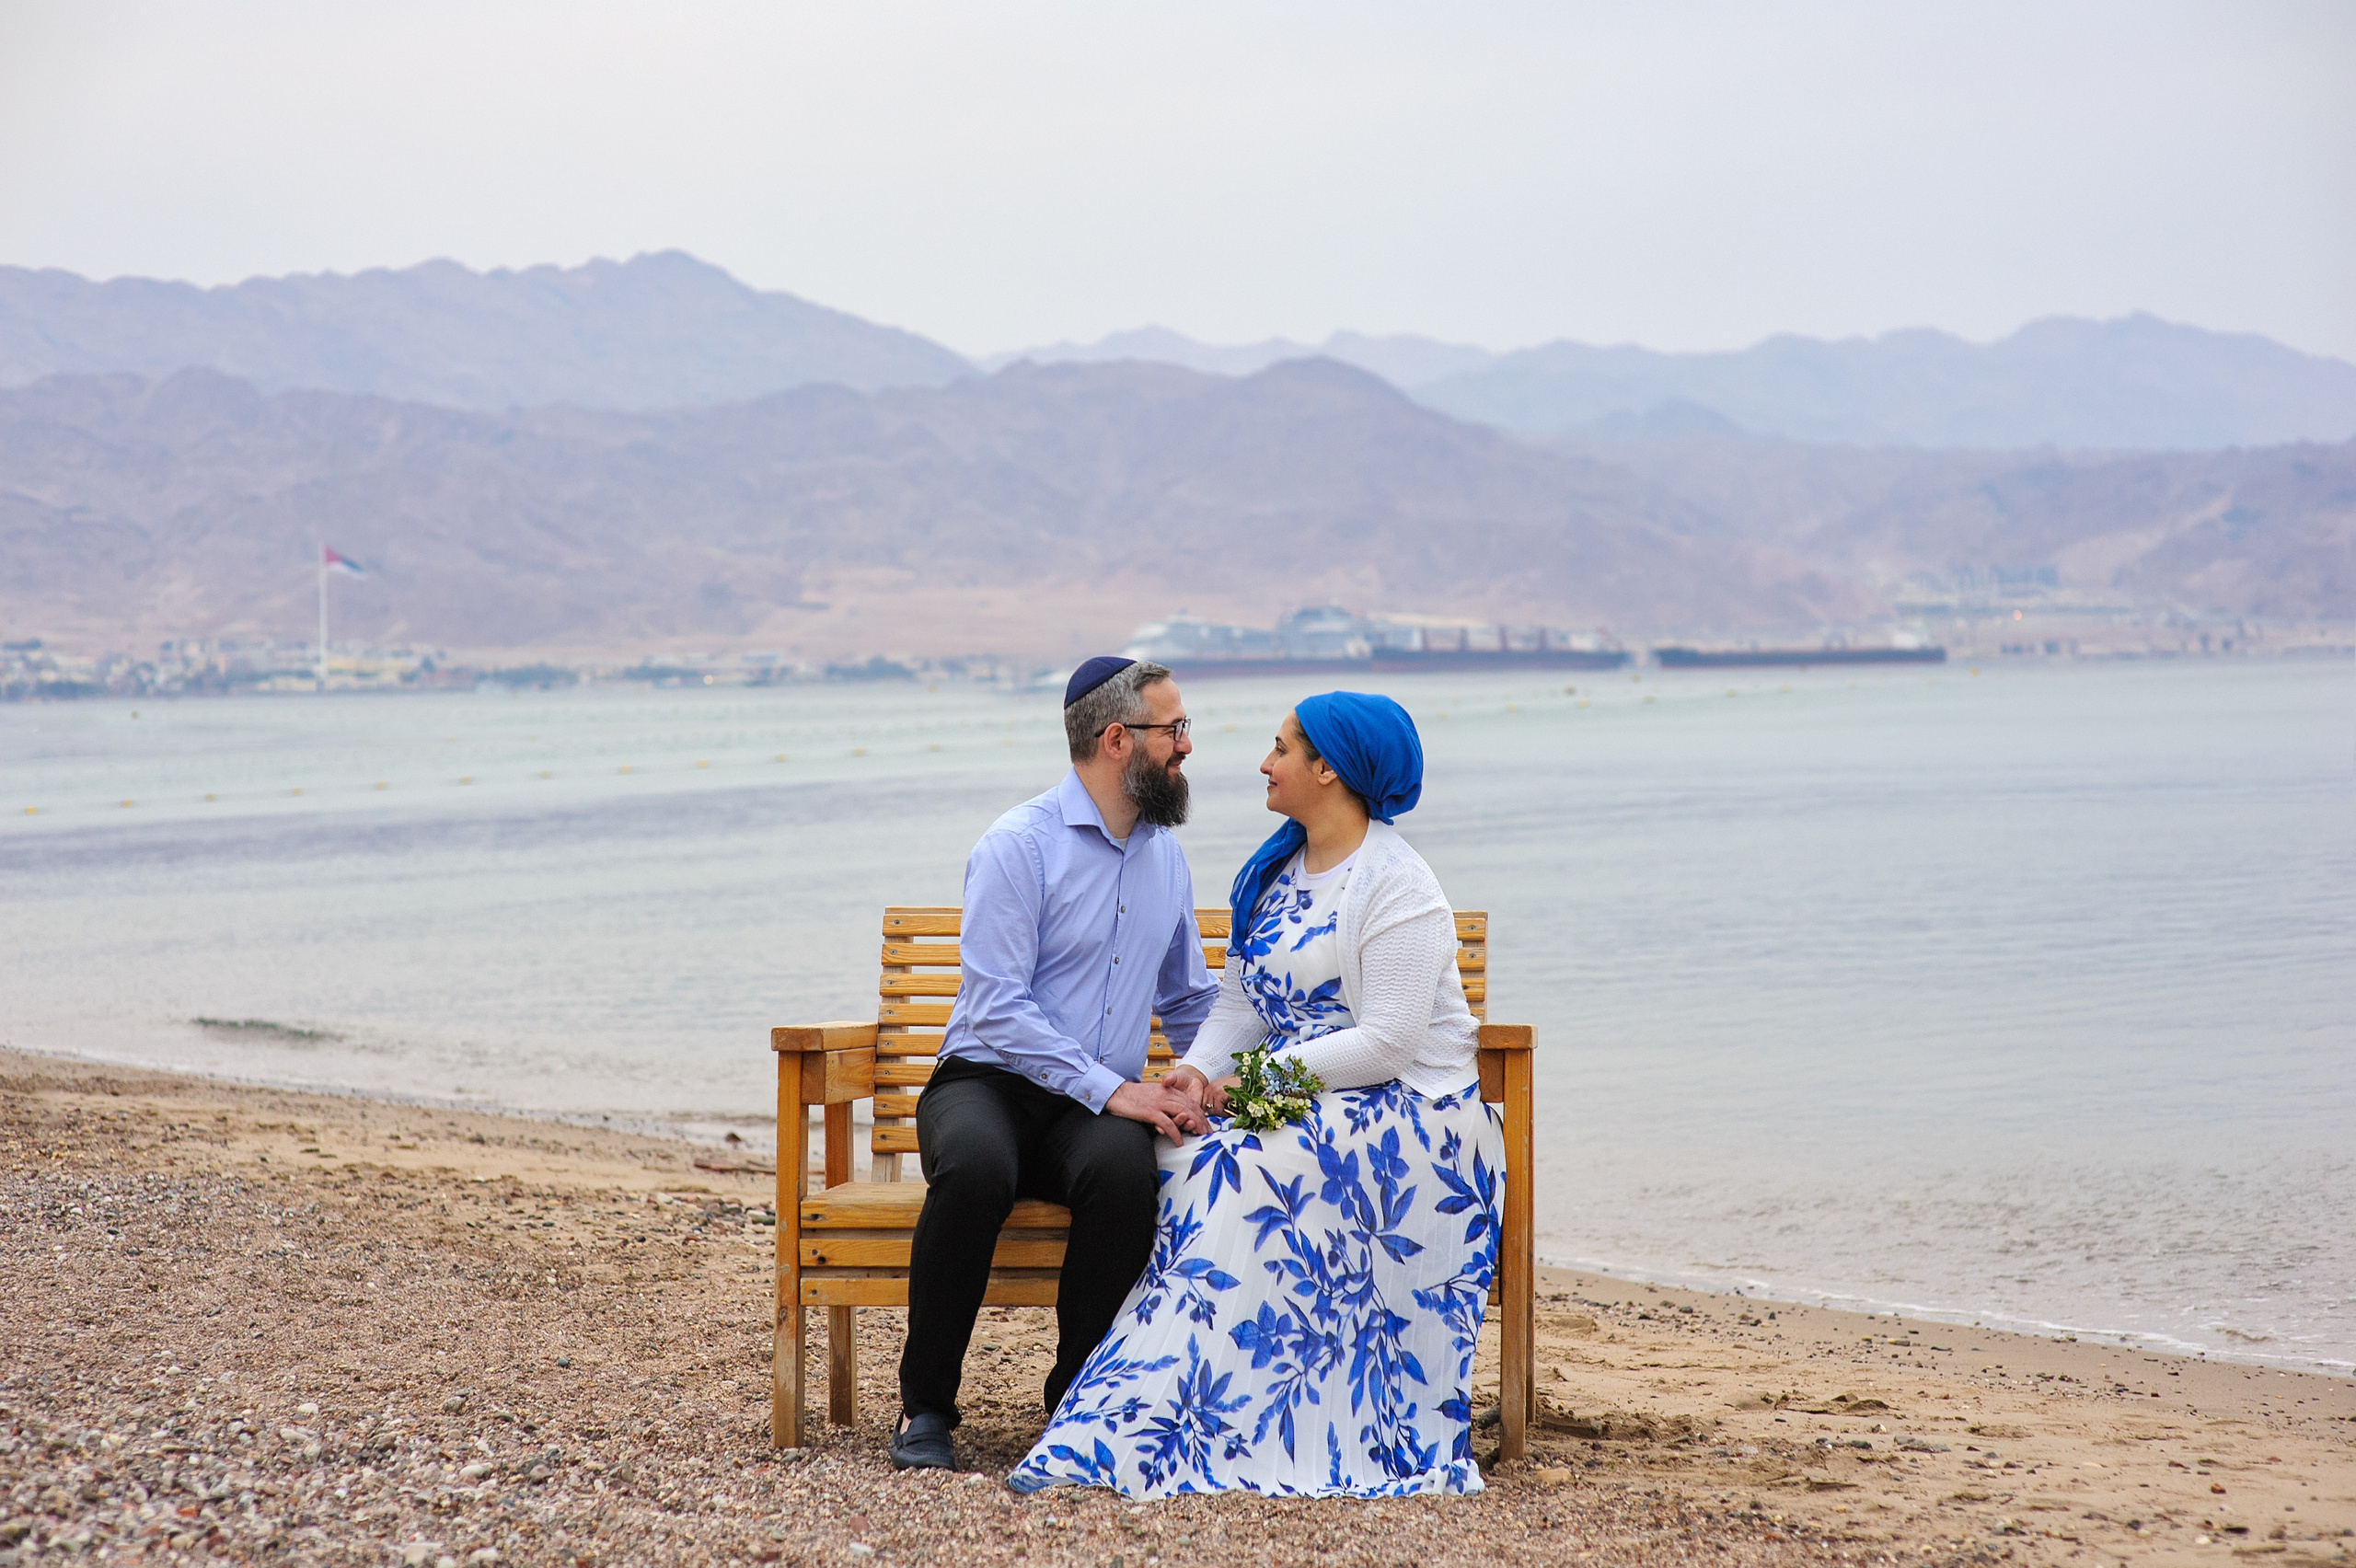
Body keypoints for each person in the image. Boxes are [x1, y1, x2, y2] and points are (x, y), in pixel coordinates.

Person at [1008, 690, 1502, 1498]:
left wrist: (1260, 1082)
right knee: (1170, 1155)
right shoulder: (1275, 871)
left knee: (1236, 1175)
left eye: (1279, 749)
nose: (1263, 765)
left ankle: (1216, 1421)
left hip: (1412, 1117)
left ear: (1329, 768)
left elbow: (1389, 1041)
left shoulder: (1398, 885)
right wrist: (1198, 1073)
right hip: (1312, 1098)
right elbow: (1238, 1003)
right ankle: (1167, 1404)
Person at [891, 656, 1223, 1472]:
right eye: (1172, 729)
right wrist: (1119, 1090)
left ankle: (1077, 1403)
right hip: (986, 1084)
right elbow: (999, 1007)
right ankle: (925, 1408)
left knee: (1123, 1174)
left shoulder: (1165, 858)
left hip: (1088, 1111)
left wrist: (1236, 1074)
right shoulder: (1018, 846)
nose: (1186, 745)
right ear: (1118, 740)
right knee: (974, 1171)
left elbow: (1187, 1002)